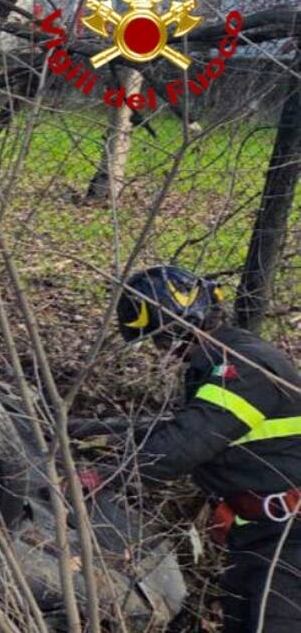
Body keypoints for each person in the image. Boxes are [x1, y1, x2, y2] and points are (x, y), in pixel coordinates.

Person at [113, 265, 301, 632]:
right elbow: (176, 428)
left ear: (179, 326)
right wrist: (78, 431)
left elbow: (183, 446)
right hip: (259, 536)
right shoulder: (219, 363)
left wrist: (107, 476)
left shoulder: (244, 368)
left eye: (160, 339)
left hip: (289, 541)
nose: (161, 351)